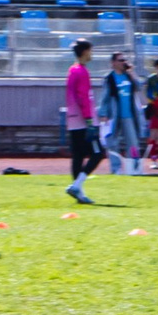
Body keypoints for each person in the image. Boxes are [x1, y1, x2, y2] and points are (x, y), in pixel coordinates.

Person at [63, 39, 100, 203]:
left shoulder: (72, 70)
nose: (92, 54)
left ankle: (79, 194)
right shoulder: (82, 72)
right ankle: (77, 185)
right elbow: (83, 98)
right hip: (84, 121)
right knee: (98, 153)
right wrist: (89, 121)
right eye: (91, 50)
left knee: (78, 156)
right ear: (85, 51)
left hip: (73, 120)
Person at [99, 50, 146, 177]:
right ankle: (116, 168)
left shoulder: (128, 76)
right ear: (113, 63)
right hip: (114, 115)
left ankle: (134, 167)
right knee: (113, 143)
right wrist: (103, 113)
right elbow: (104, 97)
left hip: (129, 115)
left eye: (124, 60)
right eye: (120, 60)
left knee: (133, 143)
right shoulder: (110, 78)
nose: (123, 63)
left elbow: (139, 87)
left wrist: (132, 72)